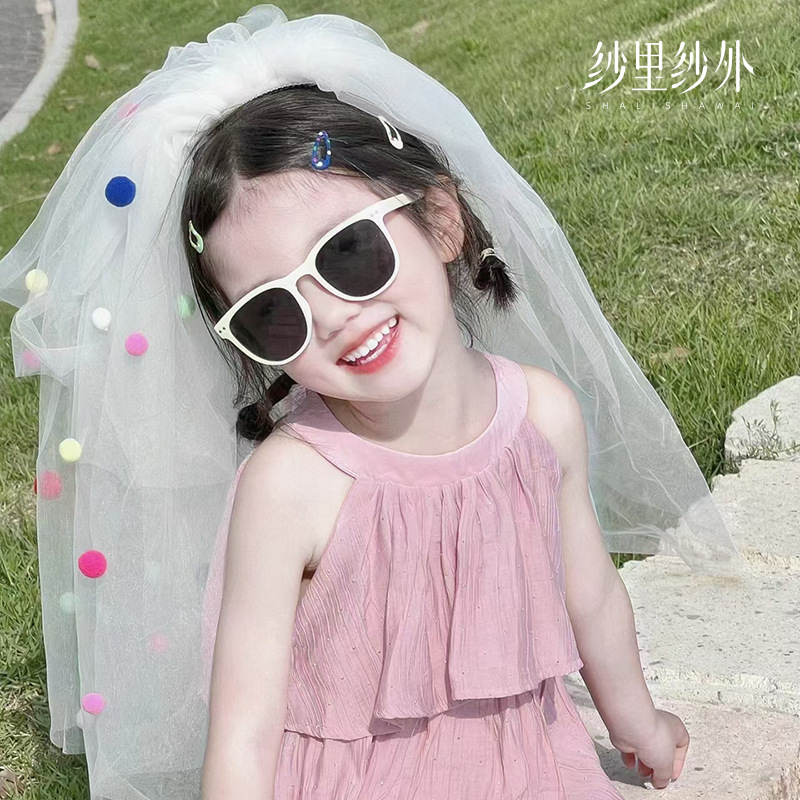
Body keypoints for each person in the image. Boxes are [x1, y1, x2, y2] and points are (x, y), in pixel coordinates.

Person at [0, 6, 745, 799]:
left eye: (348, 253)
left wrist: (638, 726)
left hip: (526, 767)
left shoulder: (541, 416)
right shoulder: (292, 484)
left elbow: (590, 594)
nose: (330, 316)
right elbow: (246, 726)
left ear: (442, 220)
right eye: (273, 312)